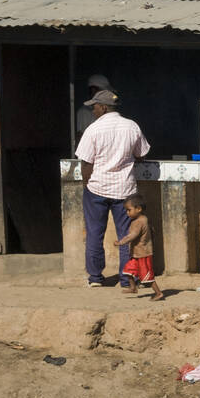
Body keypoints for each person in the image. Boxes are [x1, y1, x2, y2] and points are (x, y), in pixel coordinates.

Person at [73, 90, 149, 288]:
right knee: (127, 235)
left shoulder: (93, 129)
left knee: (94, 233)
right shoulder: (131, 126)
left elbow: (86, 163)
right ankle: (127, 278)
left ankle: (95, 278)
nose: (93, 111)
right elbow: (142, 154)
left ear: (104, 107)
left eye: (95, 107)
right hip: (125, 190)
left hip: (97, 189)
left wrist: (88, 186)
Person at [115, 196, 162, 301]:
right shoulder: (141, 219)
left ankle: (158, 293)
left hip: (143, 254)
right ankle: (133, 287)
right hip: (136, 254)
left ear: (138, 209)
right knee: (128, 270)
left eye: (129, 210)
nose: (127, 213)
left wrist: (121, 242)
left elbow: (132, 235)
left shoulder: (139, 222)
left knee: (146, 276)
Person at [73, 73, 111, 138]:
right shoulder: (85, 111)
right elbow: (82, 137)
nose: (106, 93)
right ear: (93, 90)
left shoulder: (107, 109)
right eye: (103, 91)